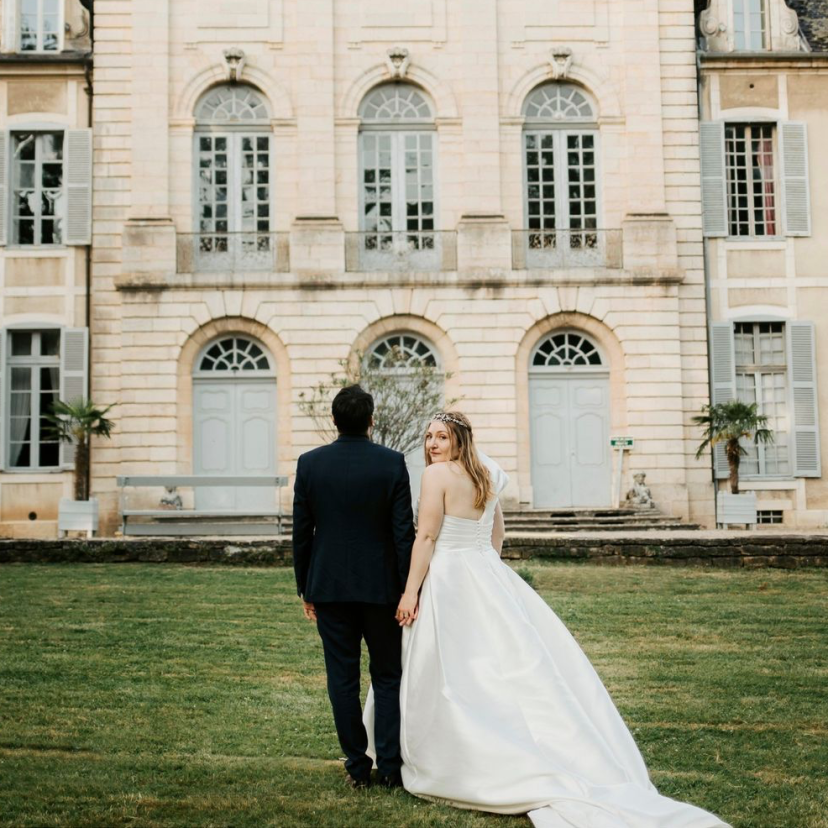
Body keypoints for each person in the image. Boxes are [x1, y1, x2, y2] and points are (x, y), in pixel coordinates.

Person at [378, 411, 731, 828]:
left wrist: (410, 590)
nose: (433, 444)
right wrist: (489, 569)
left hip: (450, 576)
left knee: (452, 664)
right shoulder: (488, 473)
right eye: (429, 436)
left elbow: (427, 536)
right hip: (485, 573)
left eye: (442, 437)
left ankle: (455, 749)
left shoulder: (436, 476)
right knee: (505, 659)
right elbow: (497, 534)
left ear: (459, 441)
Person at [292, 385, 415, 789]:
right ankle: (392, 768)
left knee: (341, 679)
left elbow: (301, 533)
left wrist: (305, 587)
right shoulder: (392, 463)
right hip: (382, 590)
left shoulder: (310, 464)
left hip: (329, 587)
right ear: (371, 421)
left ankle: (357, 767)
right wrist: (407, 589)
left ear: (333, 420)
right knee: (388, 677)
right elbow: (403, 535)